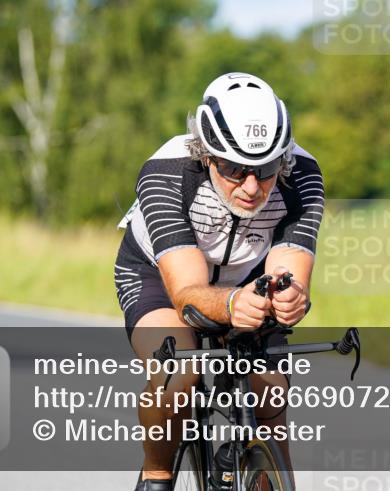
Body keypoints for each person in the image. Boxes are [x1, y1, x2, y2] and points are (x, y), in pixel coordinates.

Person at [113, 72, 324, 491]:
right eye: (233, 169)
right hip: (160, 275)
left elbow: (289, 270)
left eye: (265, 169)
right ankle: (156, 477)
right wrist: (230, 307)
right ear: (205, 154)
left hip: (248, 276)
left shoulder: (302, 174)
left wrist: (290, 298)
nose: (252, 187)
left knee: (270, 394)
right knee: (177, 375)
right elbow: (187, 292)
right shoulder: (166, 173)